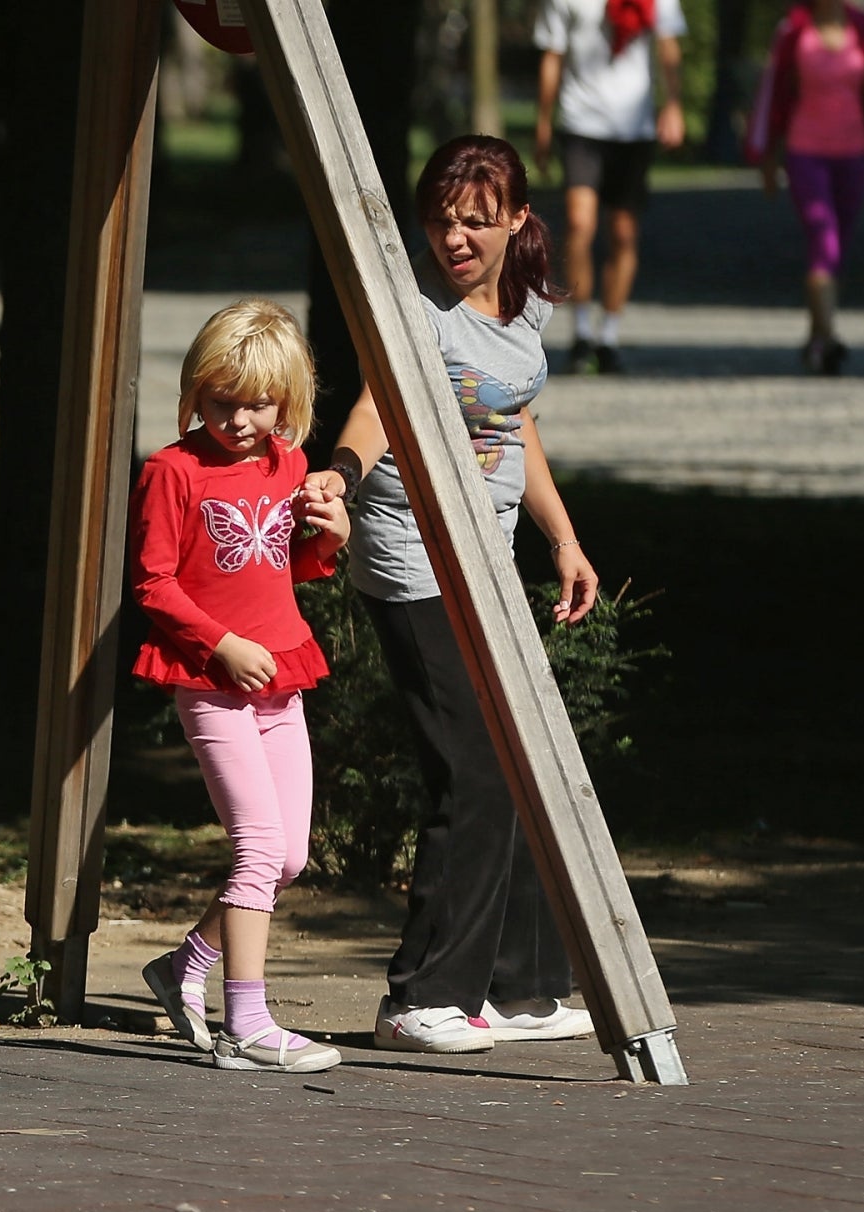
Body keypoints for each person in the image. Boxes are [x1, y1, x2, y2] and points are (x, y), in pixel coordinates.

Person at [303, 136, 601, 1056]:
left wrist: (563, 537)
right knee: (471, 767)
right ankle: (420, 996)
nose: (454, 236)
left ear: (517, 218)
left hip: (487, 555)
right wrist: (340, 479)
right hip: (411, 557)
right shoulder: (418, 312)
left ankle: (517, 987)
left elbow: (514, 419)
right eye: (440, 218)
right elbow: (376, 406)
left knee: (516, 762)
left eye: (476, 219)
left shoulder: (523, 306)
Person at [132, 300, 351, 1076]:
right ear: (196, 390)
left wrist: (331, 533)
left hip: (279, 676)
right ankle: (245, 1024)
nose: (237, 419)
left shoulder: (287, 464)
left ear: (286, 401)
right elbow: (153, 584)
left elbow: (287, 566)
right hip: (213, 683)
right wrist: (220, 643)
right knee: (257, 847)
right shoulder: (171, 470)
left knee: (289, 856)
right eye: (220, 400)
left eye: (256, 403)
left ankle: (181, 966)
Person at [534, 0, 688, 373]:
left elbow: (668, 46)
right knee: (580, 224)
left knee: (623, 233)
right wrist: (543, 122)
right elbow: (553, 55)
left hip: (633, 128)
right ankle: (582, 331)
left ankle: (610, 335)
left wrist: (673, 105)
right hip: (580, 122)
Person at [750, 1, 864, 374]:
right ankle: (830, 338)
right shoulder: (793, 31)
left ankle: (815, 338)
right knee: (824, 241)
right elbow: (776, 96)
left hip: (852, 155)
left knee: (838, 250)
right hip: (805, 152)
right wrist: (769, 158)